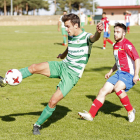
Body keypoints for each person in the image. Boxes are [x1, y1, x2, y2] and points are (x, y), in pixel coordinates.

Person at [0, 14, 104, 135]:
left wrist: (98, 32)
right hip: (62, 66)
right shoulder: (71, 36)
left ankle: (37, 125)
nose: (66, 29)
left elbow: (94, 38)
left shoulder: (86, 37)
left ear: (76, 25)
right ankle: (5, 81)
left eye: (68, 26)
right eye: (65, 26)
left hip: (72, 75)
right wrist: (63, 55)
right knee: (34, 67)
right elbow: (70, 47)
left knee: (53, 101)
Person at [78, 23, 140, 123]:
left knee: (118, 88)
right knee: (103, 91)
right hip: (119, 73)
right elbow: (118, 61)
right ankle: (90, 115)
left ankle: (130, 111)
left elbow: (137, 58)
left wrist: (136, 75)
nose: (115, 34)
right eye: (114, 31)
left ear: (124, 33)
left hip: (129, 74)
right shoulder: (115, 45)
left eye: (118, 32)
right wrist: (110, 71)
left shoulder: (127, 45)